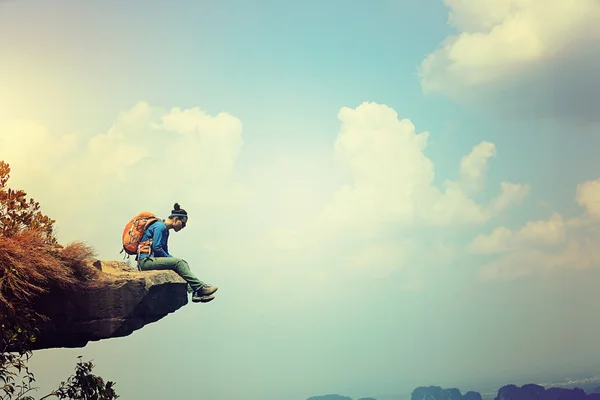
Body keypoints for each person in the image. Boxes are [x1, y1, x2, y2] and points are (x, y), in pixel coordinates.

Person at [136, 203, 218, 303]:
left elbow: (164, 252)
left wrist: (174, 260)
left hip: (151, 260)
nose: (183, 226)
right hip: (145, 261)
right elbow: (157, 248)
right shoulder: (160, 226)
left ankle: (195, 293)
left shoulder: (165, 231)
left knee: (182, 263)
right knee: (178, 263)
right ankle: (201, 288)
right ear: (175, 219)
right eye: (183, 223)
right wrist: (174, 261)